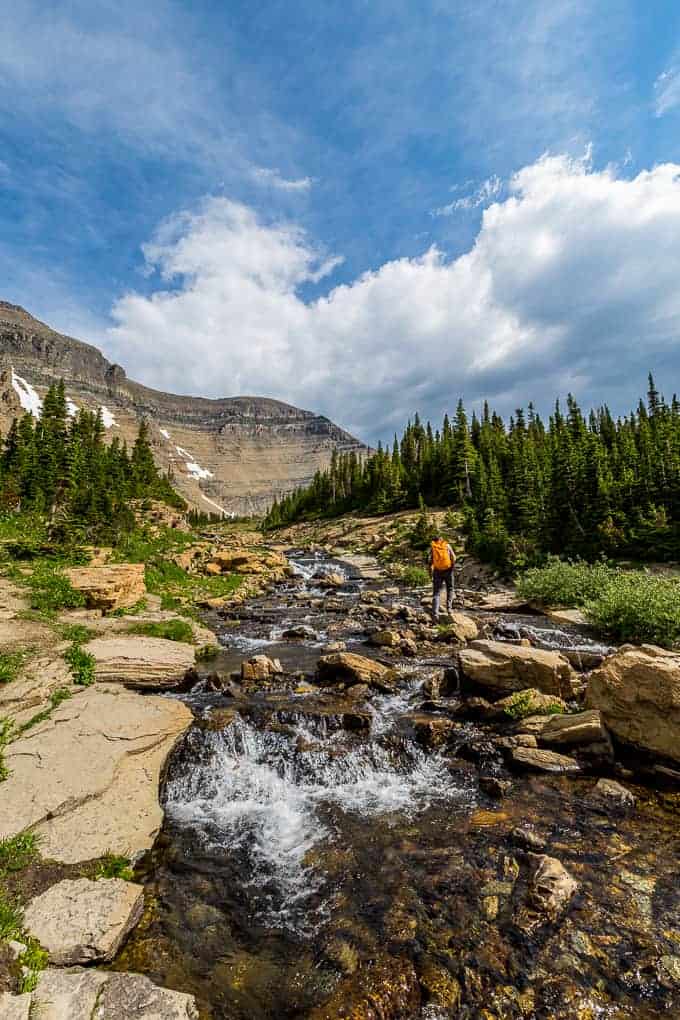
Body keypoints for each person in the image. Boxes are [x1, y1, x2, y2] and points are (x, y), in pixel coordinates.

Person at [428, 534, 456, 623]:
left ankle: (435, 613)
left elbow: (429, 561)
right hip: (448, 570)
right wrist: (452, 567)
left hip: (437, 571)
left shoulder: (433, 548)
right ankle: (449, 609)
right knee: (450, 589)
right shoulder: (447, 546)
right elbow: (454, 557)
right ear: (441, 539)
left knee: (436, 593)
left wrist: (430, 572)